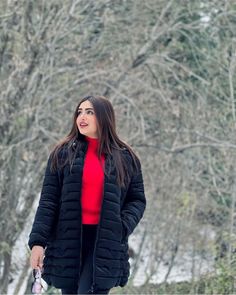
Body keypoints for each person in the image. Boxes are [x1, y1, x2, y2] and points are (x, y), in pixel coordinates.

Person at [28, 95, 146, 294]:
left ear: (104, 117)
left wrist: (122, 226)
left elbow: (137, 199)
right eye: (79, 112)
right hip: (68, 240)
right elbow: (48, 202)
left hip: (105, 241)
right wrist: (38, 243)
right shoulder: (62, 154)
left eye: (89, 112)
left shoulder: (125, 157)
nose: (82, 116)